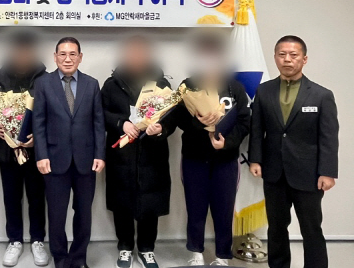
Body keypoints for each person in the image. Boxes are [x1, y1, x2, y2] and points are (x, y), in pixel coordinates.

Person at [161, 32, 250, 267]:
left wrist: (226, 143)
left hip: (226, 159)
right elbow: (176, 118)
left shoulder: (234, 88)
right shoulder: (187, 86)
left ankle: (222, 255)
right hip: (194, 157)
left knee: (224, 208)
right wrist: (198, 122)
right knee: (195, 206)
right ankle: (196, 252)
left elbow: (244, 122)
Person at [249, 35, 339, 268]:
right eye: (282, 55)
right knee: (276, 227)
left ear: (304, 59)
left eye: (293, 55)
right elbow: (257, 129)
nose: (287, 59)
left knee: (311, 228)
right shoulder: (264, 91)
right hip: (274, 172)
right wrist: (255, 159)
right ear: (275, 58)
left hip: (309, 174)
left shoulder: (321, 95)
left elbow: (328, 138)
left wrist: (327, 172)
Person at [33, 36, 106, 268]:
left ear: (80, 57)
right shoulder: (43, 84)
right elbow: (38, 123)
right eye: (62, 54)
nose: (67, 59)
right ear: (55, 57)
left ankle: (79, 258)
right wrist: (41, 155)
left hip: (86, 160)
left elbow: (98, 123)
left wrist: (100, 154)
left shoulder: (92, 84)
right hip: (54, 160)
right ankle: (61, 258)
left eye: (72, 54)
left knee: (84, 214)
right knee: (56, 215)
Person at [101, 35, 171, 268]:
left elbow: (173, 116)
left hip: (152, 154)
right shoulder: (112, 84)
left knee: (150, 203)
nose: (136, 57)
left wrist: (161, 128)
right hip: (122, 154)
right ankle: (125, 247)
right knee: (122, 202)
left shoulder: (161, 84)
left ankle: (147, 249)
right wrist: (121, 123)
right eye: (132, 52)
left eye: (141, 52)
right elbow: (101, 113)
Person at [0, 30, 49, 267]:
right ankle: (14, 240)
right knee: (11, 197)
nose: (22, 55)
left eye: (26, 51)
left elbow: (54, 115)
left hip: (36, 153)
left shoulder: (45, 79)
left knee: (36, 197)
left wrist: (38, 139)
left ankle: (38, 240)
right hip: (7, 151)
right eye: (18, 51)